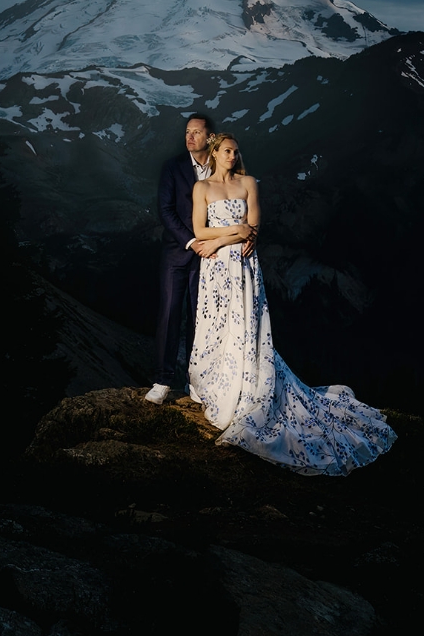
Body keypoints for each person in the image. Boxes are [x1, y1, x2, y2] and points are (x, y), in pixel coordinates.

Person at [188, 133, 397, 474]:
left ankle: (247, 382)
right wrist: (231, 234)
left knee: (247, 325)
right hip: (216, 267)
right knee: (217, 324)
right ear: (214, 153)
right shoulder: (202, 189)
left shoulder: (248, 183)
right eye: (227, 151)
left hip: (243, 266)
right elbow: (200, 229)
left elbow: (253, 228)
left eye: (236, 151)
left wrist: (232, 234)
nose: (233, 156)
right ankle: (216, 381)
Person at [144, 113, 221, 405]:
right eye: (187, 132)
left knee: (200, 321)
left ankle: (195, 382)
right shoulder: (172, 167)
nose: (189, 137)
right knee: (169, 315)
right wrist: (192, 241)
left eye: (196, 133)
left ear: (210, 138)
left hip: (211, 257)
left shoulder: (220, 166)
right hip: (177, 254)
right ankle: (162, 381)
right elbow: (165, 211)